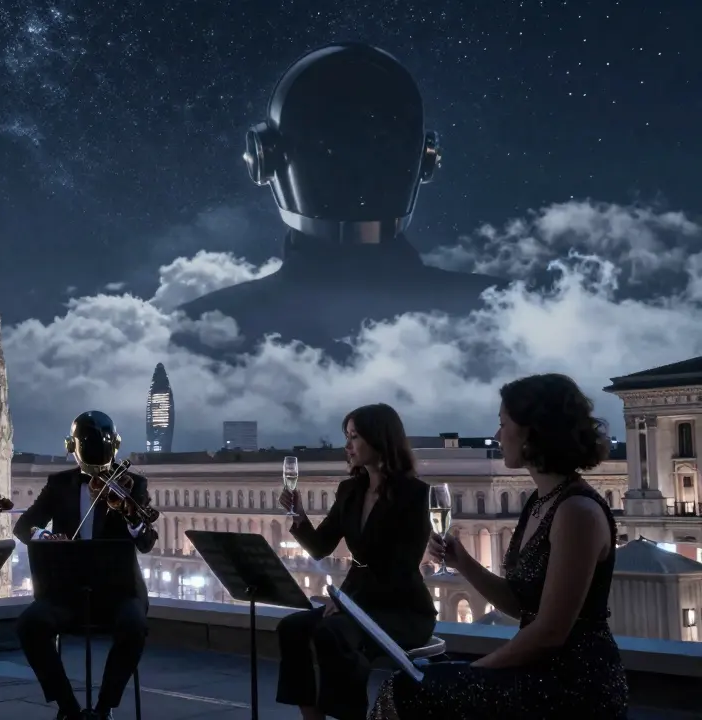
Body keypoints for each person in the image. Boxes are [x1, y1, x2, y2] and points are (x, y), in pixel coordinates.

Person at [176, 43, 499, 361]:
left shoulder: (195, 330)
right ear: (424, 159)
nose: (355, 165)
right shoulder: (498, 312)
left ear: (264, 159)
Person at [370, 374, 629, 719]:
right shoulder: (542, 502)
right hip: (540, 669)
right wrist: (462, 561)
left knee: (405, 690)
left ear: (531, 432)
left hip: (571, 683)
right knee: (411, 683)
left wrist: (477, 670)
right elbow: (522, 605)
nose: (496, 435)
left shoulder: (575, 512)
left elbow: (551, 631)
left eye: (503, 423)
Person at [276, 403, 436, 720]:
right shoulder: (350, 489)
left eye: (354, 437)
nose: (347, 446)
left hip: (401, 607)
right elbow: (320, 546)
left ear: (380, 439)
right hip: (355, 602)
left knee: (331, 633)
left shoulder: (416, 495)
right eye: (346, 436)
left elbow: (402, 568)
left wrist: (349, 604)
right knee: (290, 628)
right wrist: (297, 512)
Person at [12, 410, 158, 720]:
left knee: (135, 625)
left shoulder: (133, 485)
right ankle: (69, 709)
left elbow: (146, 542)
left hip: (120, 594)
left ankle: (105, 708)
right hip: (68, 594)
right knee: (29, 624)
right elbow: (23, 527)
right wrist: (47, 536)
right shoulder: (59, 484)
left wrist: (132, 517)